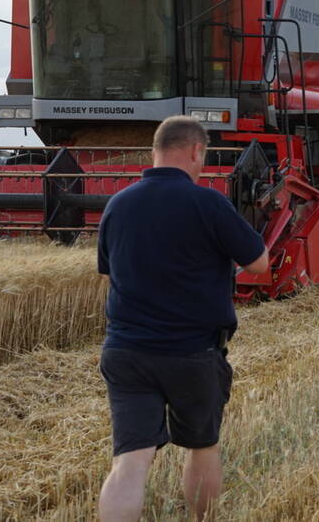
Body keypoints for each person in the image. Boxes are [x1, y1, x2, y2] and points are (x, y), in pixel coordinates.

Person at [97, 116, 269, 522]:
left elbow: (108, 271)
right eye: (203, 156)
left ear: (154, 151)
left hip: (125, 352)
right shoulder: (207, 201)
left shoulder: (118, 203)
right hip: (192, 352)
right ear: (195, 150)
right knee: (202, 447)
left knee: (130, 462)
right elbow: (259, 263)